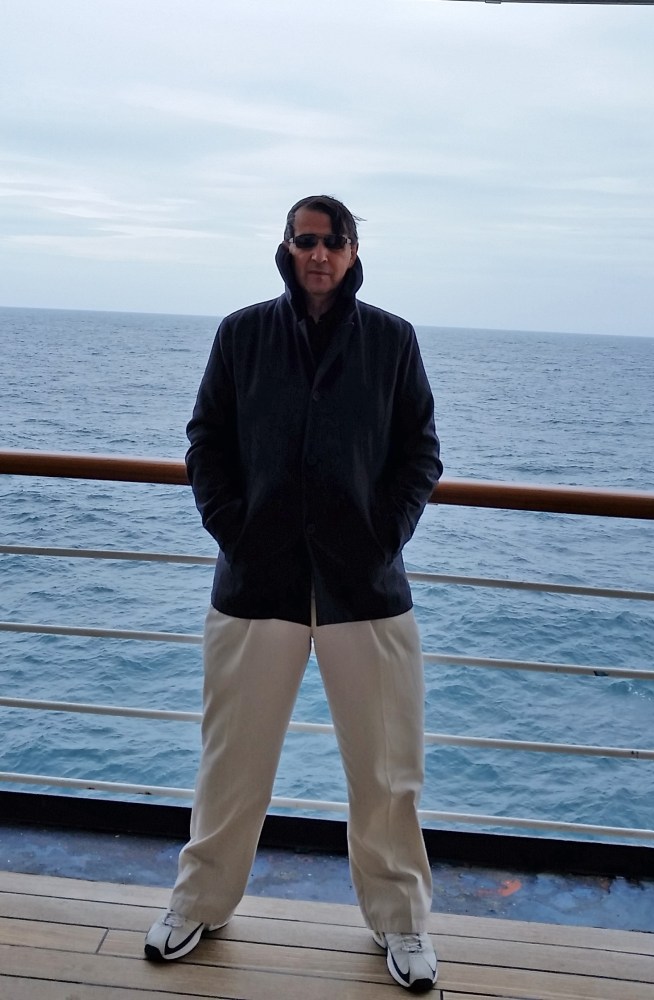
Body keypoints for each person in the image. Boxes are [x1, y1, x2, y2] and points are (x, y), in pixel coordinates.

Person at [144, 195, 443, 992]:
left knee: (387, 771)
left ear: (353, 251)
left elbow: (421, 450)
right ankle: (198, 903)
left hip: (364, 587)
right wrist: (234, 530)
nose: (319, 253)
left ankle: (402, 921)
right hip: (258, 581)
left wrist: (384, 536)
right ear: (286, 247)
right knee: (231, 762)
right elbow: (206, 439)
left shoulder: (392, 340)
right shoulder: (242, 334)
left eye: (333, 241)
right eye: (306, 240)